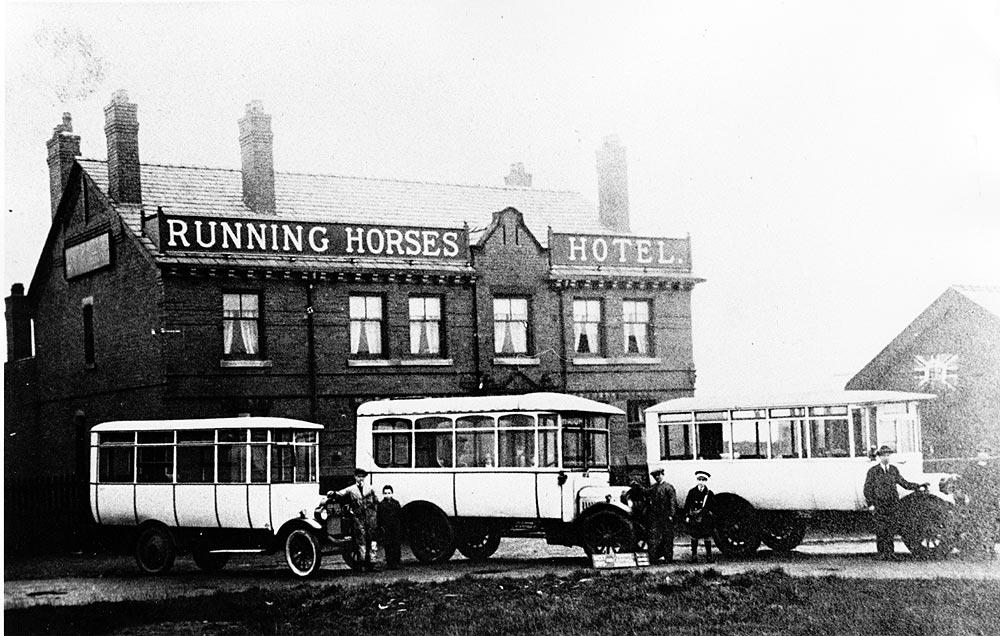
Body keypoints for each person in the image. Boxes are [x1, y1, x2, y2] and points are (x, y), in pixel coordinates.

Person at [863, 445, 928, 560]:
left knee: (891, 529)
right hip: (879, 504)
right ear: (879, 457)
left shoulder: (893, 470)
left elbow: (904, 483)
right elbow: (867, 489)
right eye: (883, 455)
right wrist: (871, 504)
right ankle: (882, 554)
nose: (886, 457)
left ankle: (890, 553)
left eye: (888, 455)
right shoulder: (873, 471)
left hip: (892, 503)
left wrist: (918, 486)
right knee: (881, 529)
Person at [335, 468, 379, 571]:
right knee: (361, 540)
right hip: (358, 518)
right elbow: (340, 493)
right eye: (358, 476)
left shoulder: (370, 488)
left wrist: (374, 514)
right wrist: (333, 493)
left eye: (362, 477)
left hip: (370, 517)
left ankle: (372, 563)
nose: (360, 479)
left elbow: (376, 501)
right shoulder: (351, 489)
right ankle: (361, 563)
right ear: (355, 477)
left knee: (372, 540)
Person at [962, 449, 999, 559]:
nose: (983, 454)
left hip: (989, 501)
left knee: (991, 526)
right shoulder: (971, 469)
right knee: (978, 525)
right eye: (980, 451)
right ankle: (981, 549)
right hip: (977, 501)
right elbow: (966, 484)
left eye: (985, 452)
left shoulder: (993, 469)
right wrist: (968, 496)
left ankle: (990, 549)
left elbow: (997, 484)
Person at [645, 467, 678, 564]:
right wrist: (637, 486)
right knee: (655, 537)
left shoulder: (668, 487)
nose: (657, 477)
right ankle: (654, 558)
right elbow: (645, 491)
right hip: (656, 516)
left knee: (668, 537)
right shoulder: (654, 487)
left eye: (659, 475)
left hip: (666, 516)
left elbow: (673, 502)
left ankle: (668, 558)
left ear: (663, 475)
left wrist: (671, 515)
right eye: (655, 476)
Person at [683, 470, 715, 563]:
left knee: (707, 537)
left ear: (706, 481)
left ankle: (709, 556)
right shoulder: (692, 492)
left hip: (705, 519)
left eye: (703, 480)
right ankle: (694, 556)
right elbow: (687, 505)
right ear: (697, 480)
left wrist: (703, 512)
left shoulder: (709, 493)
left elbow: (712, 506)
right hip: (694, 517)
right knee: (694, 537)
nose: (701, 482)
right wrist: (687, 516)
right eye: (699, 479)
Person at [377, 484, 403, 569]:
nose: (387, 495)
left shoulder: (396, 503)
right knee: (388, 546)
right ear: (383, 494)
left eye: (389, 493)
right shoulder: (381, 505)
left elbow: (400, 515)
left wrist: (399, 526)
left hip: (396, 527)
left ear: (392, 493)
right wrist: (381, 527)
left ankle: (397, 562)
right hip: (386, 528)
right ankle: (390, 563)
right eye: (385, 493)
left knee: (396, 545)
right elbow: (379, 517)